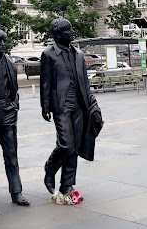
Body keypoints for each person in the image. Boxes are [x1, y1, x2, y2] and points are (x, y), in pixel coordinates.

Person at [40, 17, 102, 196]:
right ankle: (50, 169)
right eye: (68, 30)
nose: (72, 32)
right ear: (58, 34)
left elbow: (85, 84)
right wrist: (45, 107)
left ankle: (67, 185)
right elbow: (45, 83)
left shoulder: (79, 55)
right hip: (61, 105)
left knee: (74, 146)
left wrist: (93, 106)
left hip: (79, 105)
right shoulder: (49, 54)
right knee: (66, 144)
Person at [0, 29, 30, 206]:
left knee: (12, 155)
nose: (2, 44)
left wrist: (14, 106)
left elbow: (15, 90)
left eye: (4, 41)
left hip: (8, 114)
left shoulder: (10, 64)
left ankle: (16, 191)